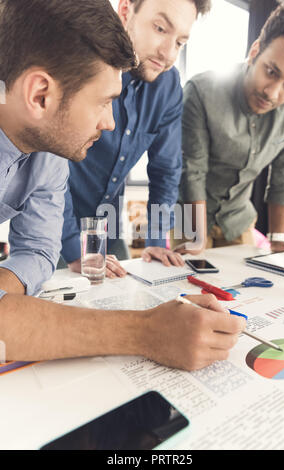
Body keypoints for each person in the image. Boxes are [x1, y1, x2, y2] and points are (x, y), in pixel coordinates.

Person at [0, 0, 245, 371]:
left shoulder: (47, 152)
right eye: (103, 103)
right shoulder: (61, 111)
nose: (111, 123)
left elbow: (37, 250)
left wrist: (157, 242)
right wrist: (145, 331)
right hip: (70, 218)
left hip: (102, 220)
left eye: (180, 40)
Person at [61, 0, 212, 279]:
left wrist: (156, 242)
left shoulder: (168, 87)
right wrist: (72, 247)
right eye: (159, 28)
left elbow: (165, 171)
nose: (168, 53)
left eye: (180, 42)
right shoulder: (78, 61)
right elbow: (49, 160)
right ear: (126, 10)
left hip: (109, 231)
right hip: (55, 229)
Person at [174, 1, 284, 256]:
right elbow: (193, 171)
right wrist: (197, 239)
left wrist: (277, 239)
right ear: (255, 51)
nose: (273, 93)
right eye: (271, 72)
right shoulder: (201, 91)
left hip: (239, 218)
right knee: (189, 287)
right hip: (189, 215)